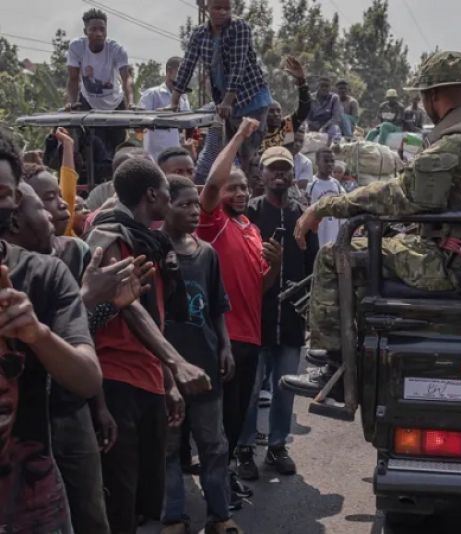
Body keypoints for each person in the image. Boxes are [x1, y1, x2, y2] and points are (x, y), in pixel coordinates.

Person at [280, 51, 461, 397]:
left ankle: (335, 371)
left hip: (451, 263)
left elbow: (404, 196)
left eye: (422, 95)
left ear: (432, 96)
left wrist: (327, 206)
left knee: (332, 255)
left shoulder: (458, 143)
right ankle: (346, 346)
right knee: (368, 249)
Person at [85, 158, 212, 532]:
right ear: (153, 195)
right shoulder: (108, 238)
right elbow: (129, 309)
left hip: (147, 380)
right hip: (116, 380)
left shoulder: (148, 240)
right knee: (120, 501)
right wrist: (176, 363)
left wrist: (166, 382)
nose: (174, 200)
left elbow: (154, 315)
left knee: (146, 498)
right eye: (170, 193)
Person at [0, 130, 103, 534]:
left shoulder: (44, 275)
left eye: (0, 192)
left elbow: (87, 378)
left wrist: (36, 334)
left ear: (12, 201)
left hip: (31, 503)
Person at [195, 117, 282, 506]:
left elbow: (258, 287)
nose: (242, 192)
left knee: (235, 420)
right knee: (220, 423)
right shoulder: (212, 223)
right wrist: (239, 136)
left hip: (251, 338)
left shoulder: (250, 227)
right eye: (235, 187)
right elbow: (211, 184)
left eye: (246, 186)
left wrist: (276, 267)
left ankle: (224, 481)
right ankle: (216, 496)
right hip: (224, 341)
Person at [161, 175, 240, 534]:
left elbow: (216, 308)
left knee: (213, 445)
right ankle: (174, 516)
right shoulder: (153, 252)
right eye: (185, 204)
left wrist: (225, 345)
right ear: (165, 206)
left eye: (197, 204)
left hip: (206, 366)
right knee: (169, 448)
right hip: (166, 373)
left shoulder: (206, 253)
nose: (194, 211)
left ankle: (219, 515)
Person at [236, 147, 318, 481]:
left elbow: (314, 269)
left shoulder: (303, 217)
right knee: (251, 390)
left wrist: (312, 310)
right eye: (274, 169)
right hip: (256, 320)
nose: (280, 175)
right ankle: (243, 450)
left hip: (292, 322)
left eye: (285, 169)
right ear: (262, 174)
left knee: (286, 389)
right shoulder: (250, 215)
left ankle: (277, 446)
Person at [170, 0, 272, 179]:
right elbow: (187, 65)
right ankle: (229, 197)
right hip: (227, 105)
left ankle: (251, 199)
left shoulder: (239, 27)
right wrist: (174, 101)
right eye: (217, 8)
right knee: (228, 155)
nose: (223, 12)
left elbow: (237, 66)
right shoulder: (200, 34)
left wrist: (227, 101)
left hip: (251, 100)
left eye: (227, 8)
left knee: (249, 156)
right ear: (205, 7)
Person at [66, 9, 134, 157]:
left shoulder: (117, 49)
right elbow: (73, 79)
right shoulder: (77, 47)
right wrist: (71, 103)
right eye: (93, 29)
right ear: (85, 31)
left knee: (118, 148)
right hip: (89, 102)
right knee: (94, 147)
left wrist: (130, 102)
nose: (98, 33)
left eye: (102, 29)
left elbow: (126, 78)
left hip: (115, 104)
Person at [140, 57, 191, 162]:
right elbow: (141, 120)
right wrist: (165, 112)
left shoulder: (184, 97)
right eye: (180, 72)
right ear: (169, 71)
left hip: (175, 153)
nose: (183, 76)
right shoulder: (153, 93)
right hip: (155, 154)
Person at [260, 57, 310, 150]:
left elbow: (304, 110)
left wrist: (302, 82)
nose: (276, 114)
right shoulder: (256, 130)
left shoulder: (286, 127)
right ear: (264, 113)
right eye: (271, 111)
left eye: (278, 111)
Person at [307, 148, 346, 247]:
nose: (329, 164)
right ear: (317, 162)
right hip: (319, 236)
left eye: (332, 161)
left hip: (334, 235)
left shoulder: (336, 185)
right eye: (326, 161)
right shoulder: (311, 185)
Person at [287, 128, 313, 194]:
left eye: (301, 141)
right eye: (295, 140)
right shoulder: (274, 157)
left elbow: (300, 189)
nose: (298, 144)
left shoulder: (306, 162)